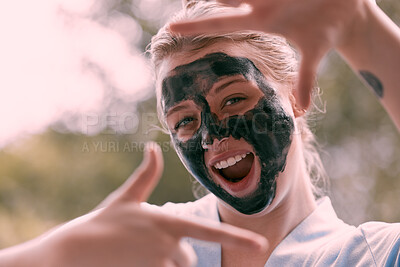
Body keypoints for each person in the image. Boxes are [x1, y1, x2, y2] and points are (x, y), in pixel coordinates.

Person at [0, 0, 399, 266]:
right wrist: (54, 254)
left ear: (296, 96)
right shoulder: (146, 249)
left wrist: (363, 31)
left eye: (233, 100)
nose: (211, 136)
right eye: (185, 121)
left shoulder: (370, 256)